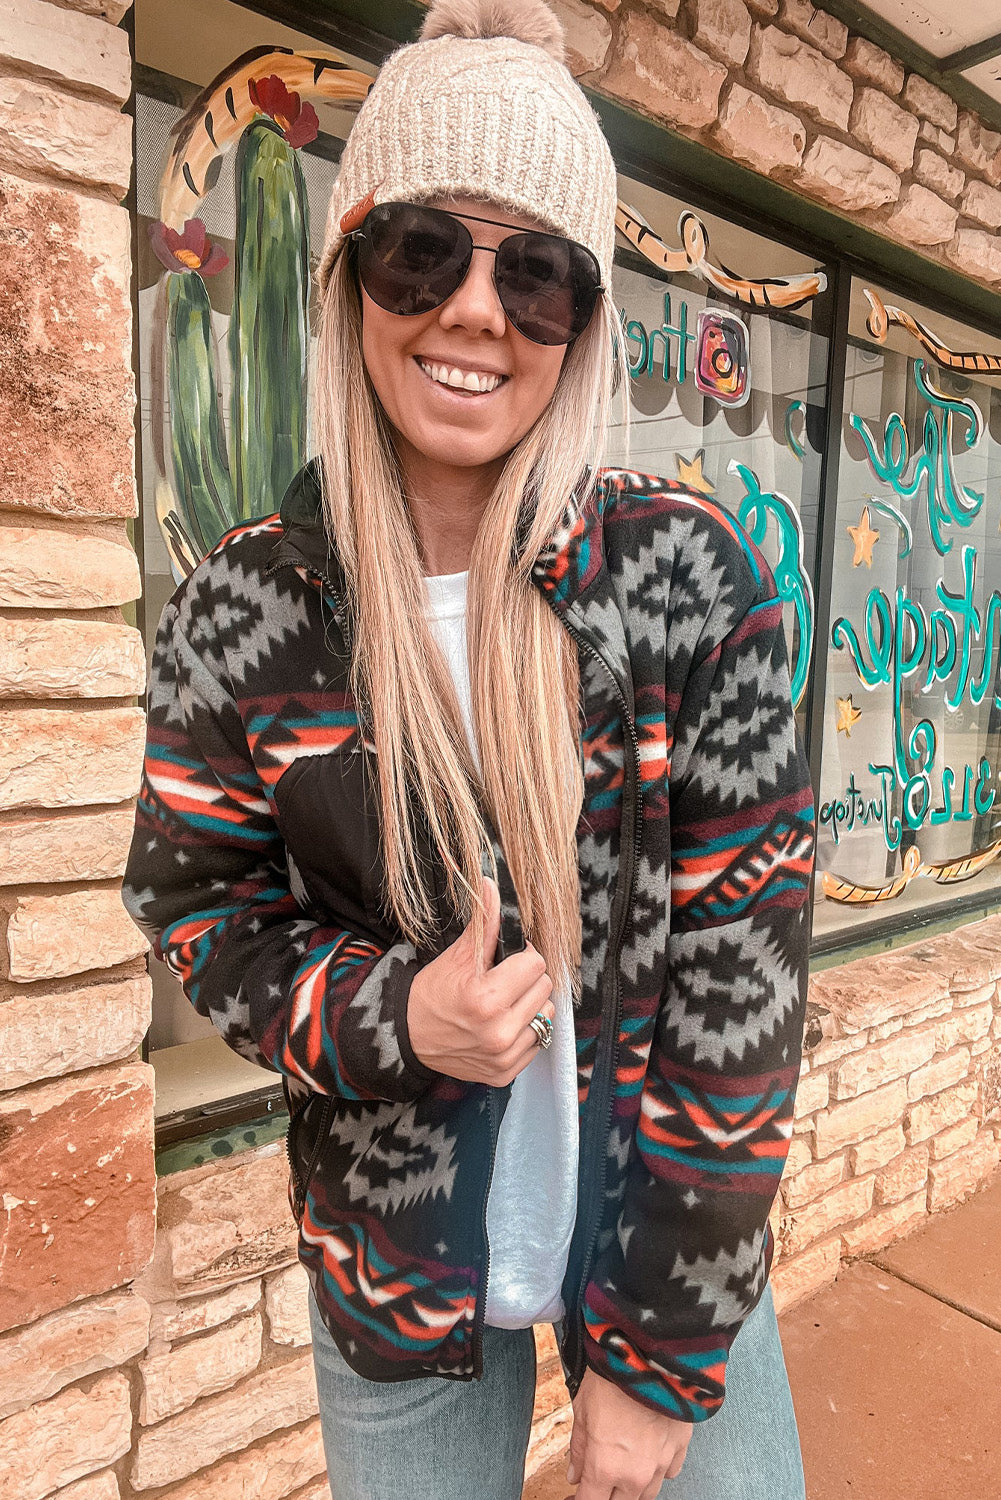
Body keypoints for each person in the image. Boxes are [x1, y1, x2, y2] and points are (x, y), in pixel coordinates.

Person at [123, 2, 816, 1496]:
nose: (476, 311)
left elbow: (741, 989)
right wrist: (392, 1021)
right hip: (393, 1260)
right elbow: (199, 912)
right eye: (423, 249)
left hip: (663, 1234)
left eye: (539, 273)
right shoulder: (249, 603)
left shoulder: (689, 575)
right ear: (348, 272)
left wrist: (652, 1366)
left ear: (582, 318)